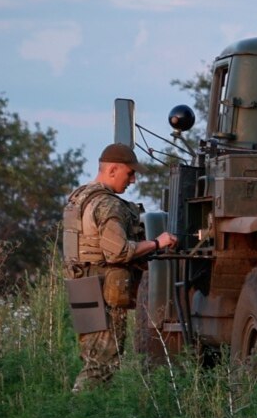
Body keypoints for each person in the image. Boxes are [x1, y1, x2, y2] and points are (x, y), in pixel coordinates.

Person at [64, 143, 177, 392]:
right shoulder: (108, 205)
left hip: (82, 286)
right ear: (113, 169)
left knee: (92, 358)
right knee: (102, 366)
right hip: (103, 290)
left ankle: (83, 417)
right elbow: (118, 252)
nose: (133, 180)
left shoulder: (79, 198)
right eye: (130, 173)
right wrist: (158, 242)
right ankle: (78, 417)